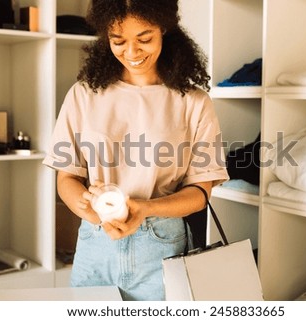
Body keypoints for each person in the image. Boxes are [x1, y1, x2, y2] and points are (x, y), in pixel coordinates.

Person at [43, 0, 229, 301]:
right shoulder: (83, 95)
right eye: (118, 41)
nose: (131, 53)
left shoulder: (193, 102)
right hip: (95, 247)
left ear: (164, 29)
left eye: (144, 39)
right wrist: (91, 208)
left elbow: (200, 191)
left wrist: (145, 209)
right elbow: (66, 179)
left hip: (161, 247)